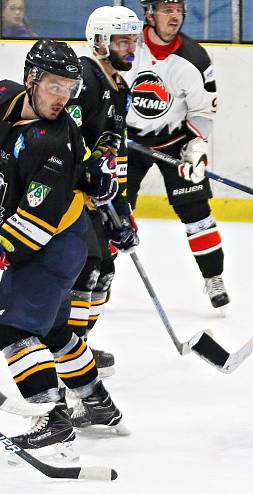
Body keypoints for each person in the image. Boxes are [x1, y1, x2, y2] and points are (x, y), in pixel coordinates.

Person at [0, 40, 128, 457]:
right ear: (30, 80)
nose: (63, 97)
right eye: (55, 86)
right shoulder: (6, 96)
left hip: (50, 245)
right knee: (56, 332)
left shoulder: (50, 145)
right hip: (57, 242)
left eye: (70, 88)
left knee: (15, 328)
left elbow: (32, 229)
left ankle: (51, 418)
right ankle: (96, 402)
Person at [123, 0, 228, 309]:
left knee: (196, 212)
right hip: (128, 142)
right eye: (167, 9)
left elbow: (201, 110)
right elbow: (109, 91)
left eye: (179, 10)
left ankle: (214, 278)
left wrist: (196, 148)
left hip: (175, 142)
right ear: (149, 14)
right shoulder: (128, 47)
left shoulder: (194, 59)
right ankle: (98, 278)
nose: (175, 16)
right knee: (113, 212)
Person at [65, 6, 143, 379]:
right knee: (88, 270)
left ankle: (78, 344)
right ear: (99, 42)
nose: (131, 47)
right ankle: (69, 351)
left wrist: (122, 207)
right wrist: (88, 172)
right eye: (122, 40)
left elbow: (114, 154)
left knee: (105, 271)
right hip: (70, 198)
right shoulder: (84, 77)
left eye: (134, 39)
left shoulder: (119, 86)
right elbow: (66, 139)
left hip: (99, 197)